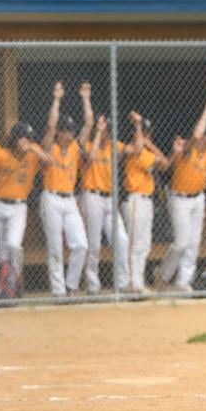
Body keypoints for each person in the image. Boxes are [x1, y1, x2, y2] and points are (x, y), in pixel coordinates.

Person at [156, 100, 206, 291]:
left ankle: (183, 281)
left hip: (198, 198)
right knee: (181, 242)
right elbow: (196, 134)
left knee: (193, 243)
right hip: (179, 198)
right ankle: (163, 275)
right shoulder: (187, 147)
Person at [0, 121, 50, 298]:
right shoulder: (0, 155)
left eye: (29, 138)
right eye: (23, 138)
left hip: (18, 206)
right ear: (14, 139)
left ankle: (13, 284)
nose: (26, 142)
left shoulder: (33, 154)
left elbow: (49, 162)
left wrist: (34, 148)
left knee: (13, 245)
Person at [40, 81, 93, 297]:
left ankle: (71, 286)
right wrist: (57, 98)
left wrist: (85, 98)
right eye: (65, 131)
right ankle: (59, 291)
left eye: (70, 131)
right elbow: (51, 126)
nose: (69, 135)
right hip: (51, 197)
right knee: (55, 246)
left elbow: (88, 125)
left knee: (80, 244)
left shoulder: (75, 147)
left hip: (70, 199)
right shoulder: (50, 146)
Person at [79, 112, 131, 294]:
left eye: (108, 130)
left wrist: (138, 126)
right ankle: (93, 285)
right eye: (104, 129)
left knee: (122, 240)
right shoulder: (87, 145)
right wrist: (98, 133)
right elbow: (91, 157)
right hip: (91, 195)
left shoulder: (113, 146)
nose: (106, 133)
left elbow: (135, 149)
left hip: (110, 198)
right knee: (93, 244)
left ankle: (123, 284)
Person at [120, 112, 169, 293]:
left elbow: (165, 163)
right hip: (135, 199)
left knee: (144, 243)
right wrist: (139, 128)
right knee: (136, 243)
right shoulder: (134, 151)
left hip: (146, 201)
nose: (145, 137)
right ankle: (134, 282)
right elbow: (151, 156)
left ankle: (136, 282)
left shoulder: (146, 150)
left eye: (148, 133)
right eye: (142, 133)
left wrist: (151, 145)